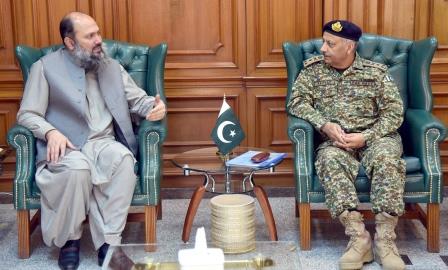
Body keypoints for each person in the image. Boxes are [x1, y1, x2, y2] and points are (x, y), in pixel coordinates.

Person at [17, 12, 166, 270]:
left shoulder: (110, 66)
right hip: (67, 145)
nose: (99, 40)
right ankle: (70, 241)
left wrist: (155, 107)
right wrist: (51, 132)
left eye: (97, 32)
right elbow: (27, 113)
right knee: (78, 170)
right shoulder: (44, 68)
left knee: (122, 161)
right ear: (70, 42)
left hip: (104, 142)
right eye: (90, 36)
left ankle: (109, 245)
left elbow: (139, 100)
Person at [287, 20, 406, 270]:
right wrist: (324, 124)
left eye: (330, 44)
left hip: (375, 138)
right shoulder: (313, 71)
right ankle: (359, 239)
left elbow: (394, 112)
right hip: (336, 141)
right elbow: (296, 102)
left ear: (349, 47)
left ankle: (385, 242)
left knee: (387, 159)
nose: (322, 49)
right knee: (329, 160)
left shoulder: (376, 73)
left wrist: (367, 136)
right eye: (323, 42)